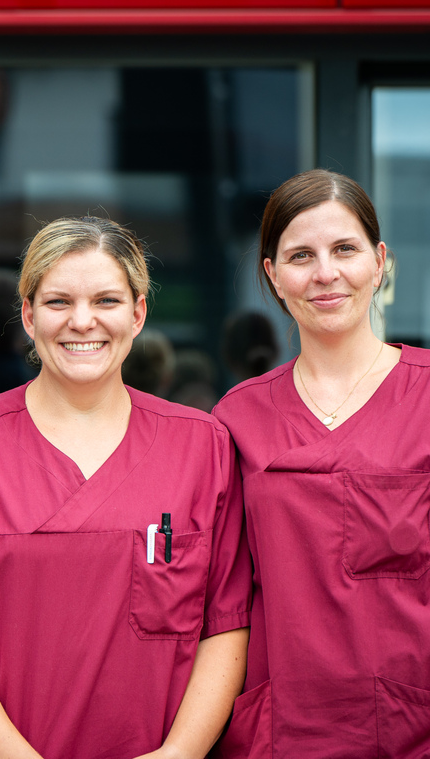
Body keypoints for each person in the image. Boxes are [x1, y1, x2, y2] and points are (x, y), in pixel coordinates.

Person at [0, 216, 251, 759]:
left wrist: (180, 753)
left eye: (106, 301)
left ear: (138, 313)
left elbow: (226, 627)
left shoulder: (203, 449)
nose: (82, 322)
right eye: (58, 302)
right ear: (28, 316)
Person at [211, 169, 426, 757]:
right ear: (273, 276)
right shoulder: (237, 417)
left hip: (412, 731)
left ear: (379, 262)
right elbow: (220, 600)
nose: (325, 273)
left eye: (345, 250)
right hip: (278, 731)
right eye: (300, 255)